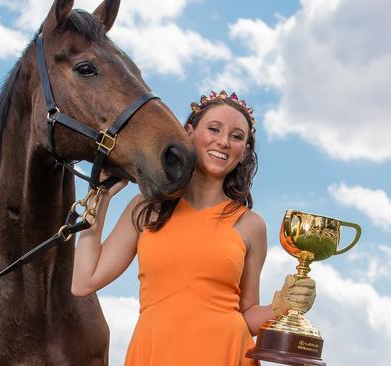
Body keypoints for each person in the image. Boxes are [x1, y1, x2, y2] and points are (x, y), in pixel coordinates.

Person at [71, 90, 317, 365]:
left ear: (244, 150)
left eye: (236, 137)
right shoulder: (147, 207)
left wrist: (282, 306)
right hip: (156, 353)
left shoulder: (251, 225)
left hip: (226, 354)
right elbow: (84, 281)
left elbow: (246, 317)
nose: (223, 142)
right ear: (190, 131)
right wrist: (99, 197)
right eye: (214, 129)